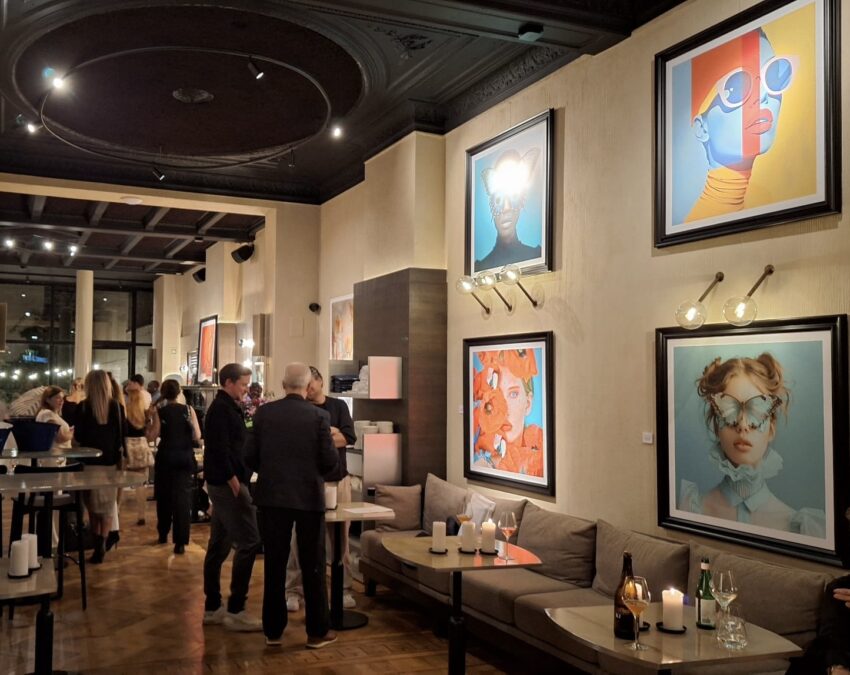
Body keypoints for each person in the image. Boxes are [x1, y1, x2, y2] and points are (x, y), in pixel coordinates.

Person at [245, 362, 339, 649]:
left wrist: (272, 472)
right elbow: (330, 462)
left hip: (272, 497)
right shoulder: (319, 416)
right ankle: (317, 632)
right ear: (308, 387)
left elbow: (249, 457)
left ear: (284, 385)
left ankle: (273, 631)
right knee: (313, 564)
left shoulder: (264, 414)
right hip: (309, 497)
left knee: (274, 563)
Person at [679, 354, 826, 535]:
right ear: (717, 427)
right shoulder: (690, 510)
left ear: (771, 429)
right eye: (730, 411)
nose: (743, 426)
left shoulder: (806, 528)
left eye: (755, 412)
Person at [686, 29, 796, 222]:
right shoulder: (703, 221)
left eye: (773, 76)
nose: (762, 95)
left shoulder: (762, 203)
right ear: (702, 128)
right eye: (736, 86)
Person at [285, 366, 356, 612]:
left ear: (320, 381)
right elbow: (298, 441)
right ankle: (294, 590)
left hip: (337, 480)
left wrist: (321, 437)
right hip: (306, 482)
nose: (308, 388)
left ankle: (343, 588)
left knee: (340, 538)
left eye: (311, 383)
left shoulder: (338, 406)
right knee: (298, 539)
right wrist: (329, 434)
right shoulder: (300, 408)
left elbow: (348, 438)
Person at [202, 363, 263, 632]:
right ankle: (236, 609)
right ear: (228, 382)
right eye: (243, 384)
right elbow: (219, 450)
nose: (246, 389)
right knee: (249, 541)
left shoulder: (228, 407)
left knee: (219, 545)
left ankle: (213, 607)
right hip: (228, 485)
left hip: (225, 483)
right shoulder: (220, 410)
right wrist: (235, 483)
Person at [74, 370, 123, 564]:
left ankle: (97, 546)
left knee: (93, 508)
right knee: (108, 508)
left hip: (89, 464)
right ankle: (103, 541)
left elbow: (78, 437)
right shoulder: (117, 407)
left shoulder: (83, 407)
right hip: (110, 463)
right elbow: (121, 436)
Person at [471, 348, 544, 477]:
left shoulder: (541, 452)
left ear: (528, 404)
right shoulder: (481, 466)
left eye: (513, 394)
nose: (503, 410)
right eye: (496, 394)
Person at [148, 379, 200, 554]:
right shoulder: (188, 410)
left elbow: (152, 435)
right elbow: (197, 435)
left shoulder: (160, 412)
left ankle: (163, 533)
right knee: (182, 500)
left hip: (166, 457)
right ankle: (180, 542)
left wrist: (149, 419)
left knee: (164, 497)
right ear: (179, 393)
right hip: (184, 458)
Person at [475, 147, 542, 271]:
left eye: (513, 197)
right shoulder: (479, 267)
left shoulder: (537, 254)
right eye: (499, 199)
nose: (506, 208)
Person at [787, 575, 850, 674]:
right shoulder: (840, 587)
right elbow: (831, 634)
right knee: (816, 650)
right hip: (839, 656)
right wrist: (837, 666)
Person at [122, 387, 151, 526]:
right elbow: (149, 433)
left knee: (120, 482)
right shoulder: (144, 414)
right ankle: (141, 515)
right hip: (141, 447)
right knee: (142, 484)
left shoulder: (124, 413)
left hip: (127, 447)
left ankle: (117, 512)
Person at [35, 386, 74, 451]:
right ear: (48, 399)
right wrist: (72, 433)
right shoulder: (47, 414)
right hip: (55, 455)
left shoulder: (52, 414)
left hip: (59, 454)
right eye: (58, 397)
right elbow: (59, 438)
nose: (62, 400)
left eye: (62, 398)